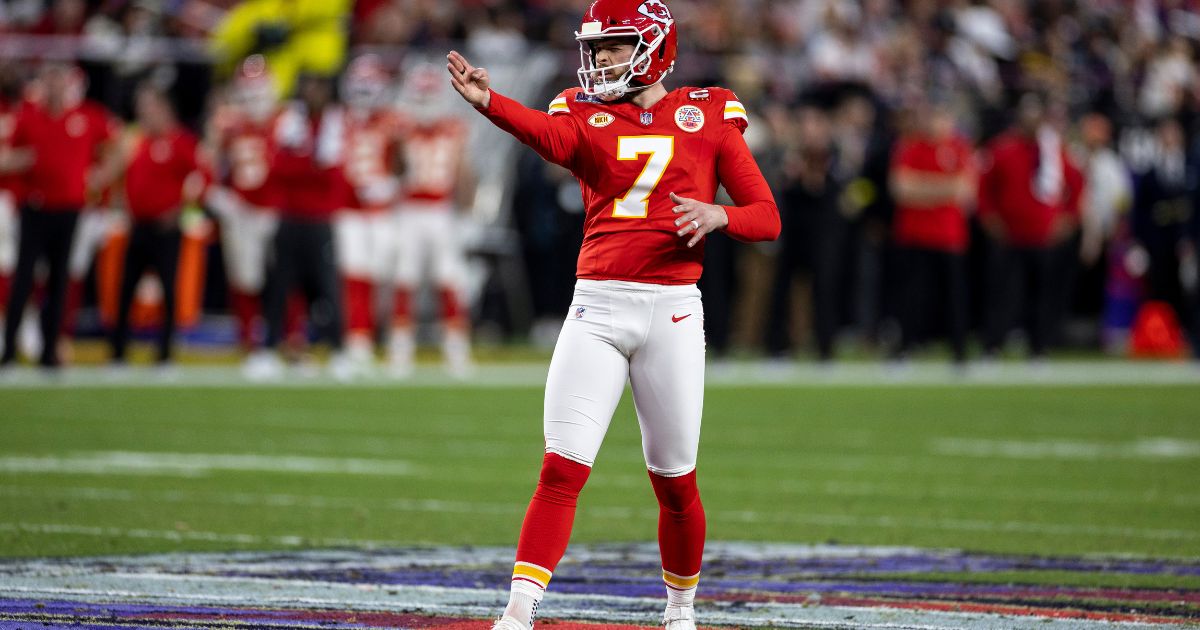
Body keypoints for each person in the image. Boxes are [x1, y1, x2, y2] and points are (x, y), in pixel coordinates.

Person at [446, 0, 780, 627]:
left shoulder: (706, 114)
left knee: (676, 480)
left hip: (673, 310)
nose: (599, 59)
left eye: (614, 46)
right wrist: (490, 103)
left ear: (655, 47)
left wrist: (719, 215)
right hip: (597, 306)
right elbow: (546, 137)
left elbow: (767, 214)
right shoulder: (582, 113)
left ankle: (680, 610)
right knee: (560, 468)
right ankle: (517, 614)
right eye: (595, 47)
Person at [1, 63, 121, 369]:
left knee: (59, 282)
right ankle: (10, 350)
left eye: (59, 82)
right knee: (23, 279)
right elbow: (6, 159)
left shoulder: (86, 116)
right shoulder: (28, 118)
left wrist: (101, 175)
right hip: (35, 208)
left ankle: (49, 351)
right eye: (49, 81)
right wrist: (23, 160)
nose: (54, 88)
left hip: (69, 209)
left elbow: (117, 147)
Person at [246, 70, 351, 380]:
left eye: (318, 86)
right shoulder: (289, 121)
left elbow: (332, 174)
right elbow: (278, 167)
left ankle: (338, 351)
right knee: (278, 287)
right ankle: (266, 349)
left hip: (320, 220)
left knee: (327, 289)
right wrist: (307, 164)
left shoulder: (334, 122)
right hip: (290, 217)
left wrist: (301, 163)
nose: (313, 93)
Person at [977, 93, 1084, 360]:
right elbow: (984, 188)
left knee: (1042, 296)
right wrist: (990, 219)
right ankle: (993, 345)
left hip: (1044, 236)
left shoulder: (1053, 151)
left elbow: (1077, 184)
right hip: (1009, 235)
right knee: (1002, 294)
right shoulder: (1002, 149)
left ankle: (1039, 347)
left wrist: (1068, 218)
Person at [110, 83, 208, 365]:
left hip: (166, 229)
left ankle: (165, 353)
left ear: (165, 110)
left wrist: (180, 211)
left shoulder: (181, 142)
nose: (143, 113)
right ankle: (118, 351)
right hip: (138, 225)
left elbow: (202, 179)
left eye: (149, 106)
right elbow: (120, 177)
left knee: (169, 290)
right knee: (125, 288)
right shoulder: (134, 140)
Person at [392, 62, 474, 377]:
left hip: (441, 211)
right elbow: (396, 171)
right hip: (410, 209)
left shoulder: (454, 127)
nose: (424, 105)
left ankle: (455, 346)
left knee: (448, 278)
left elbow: (464, 172)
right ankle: (401, 347)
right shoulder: (402, 127)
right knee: (405, 277)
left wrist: (466, 213)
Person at [206, 55, 286, 354]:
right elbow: (209, 161)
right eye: (248, 91)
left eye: (259, 89)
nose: (254, 98)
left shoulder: (287, 118)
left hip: (279, 208)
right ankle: (248, 339)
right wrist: (216, 193)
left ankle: (289, 338)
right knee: (245, 278)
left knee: (285, 278)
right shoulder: (228, 123)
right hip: (242, 208)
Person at [888, 99, 975, 365]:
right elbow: (901, 190)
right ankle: (906, 348)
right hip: (914, 235)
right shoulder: (910, 146)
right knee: (911, 297)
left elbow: (966, 192)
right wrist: (945, 189)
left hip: (949, 237)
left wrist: (922, 188)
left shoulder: (959, 148)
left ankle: (959, 351)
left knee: (954, 297)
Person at [337, 53, 404, 373]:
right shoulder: (339, 119)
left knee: (385, 276)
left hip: (382, 211)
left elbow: (404, 165)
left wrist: (391, 183)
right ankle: (358, 340)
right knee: (355, 274)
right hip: (348, 209)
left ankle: (389, 340)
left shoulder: (393, 120)